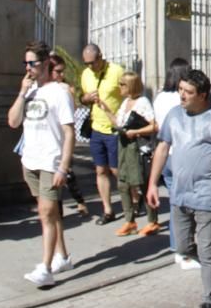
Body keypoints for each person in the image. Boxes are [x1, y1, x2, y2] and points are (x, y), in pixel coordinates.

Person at [146, 69, 211, 308]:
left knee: (207, 249)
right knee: (181, 249)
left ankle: (209, 301)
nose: (182, 96)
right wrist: (152, 184)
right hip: (178, 193)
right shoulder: (174, 115)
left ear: (203, 95)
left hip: (206, 193)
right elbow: (163, 148)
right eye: (180, 90)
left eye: (188, 92)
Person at [8, 41, 76, 287]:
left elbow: (69, 132)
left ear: (46, 63)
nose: (28, 68)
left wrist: (63, 167)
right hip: (31, 161)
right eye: (25, 63)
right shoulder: (30, 92)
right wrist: (21, 93)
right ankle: (63, 256)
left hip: (51, 161)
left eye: (32, 63)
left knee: (46, 213)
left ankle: (45, 268)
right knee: (50, 212)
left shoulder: (59, 92)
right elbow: (13, 122)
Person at [99, 71, 160, 237]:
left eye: (122, 84)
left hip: (137, 148)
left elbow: (154, 126)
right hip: (124, 146)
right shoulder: (125, 102)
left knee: (142, 184)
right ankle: (130, 220)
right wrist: (105, 109)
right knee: (123, 183)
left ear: (131, 86)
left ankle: (152, 221)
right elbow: (119, 123)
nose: (119, 87)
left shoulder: (142, 102)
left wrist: (137, 131)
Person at [153, 58, 198, 268]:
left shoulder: (160, 97)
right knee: (185, 205)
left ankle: (176, 245)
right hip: (181, 155)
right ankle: (184, 250)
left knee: (175, 203)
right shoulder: (182, 99)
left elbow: (157, 125)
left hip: (165, 154)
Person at [79, 44, 125, 224]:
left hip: (114, 128)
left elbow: (130, 93)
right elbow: (81, 98)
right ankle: (108, 209)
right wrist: (86, 99)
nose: (90, 66)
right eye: (86, 63)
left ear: (100, 57)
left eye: (92, 62)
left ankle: (133, 199)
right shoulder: (86, 75)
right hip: (96, 128)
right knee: (100, 169)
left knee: (116, 170)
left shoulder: (116, 71)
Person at [48, 54, 88, 217]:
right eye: (58, 71)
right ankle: (56, 210)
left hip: (62, 136)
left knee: (67, 172)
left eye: (63, 71)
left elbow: (72, 111)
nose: (61, 75)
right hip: (47, 139)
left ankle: (79, 201)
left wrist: (68, 94)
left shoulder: (65, 89)